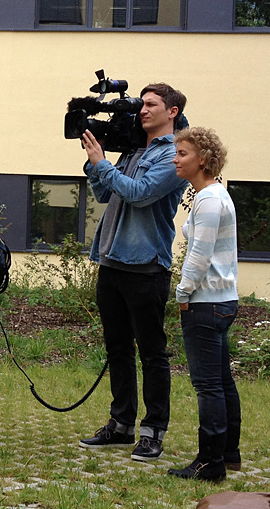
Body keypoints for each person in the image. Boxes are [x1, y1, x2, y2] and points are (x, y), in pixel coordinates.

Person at [78, 83, 188, 461]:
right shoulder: (134, 149)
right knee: (118, 348)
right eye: (141, 104)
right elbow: (107, 194)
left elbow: (140, 192)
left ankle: (153, 431)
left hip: (145, 266)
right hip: (111, 261)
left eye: (151, 104)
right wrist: (96, 165)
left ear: (171, 112)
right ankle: (121, 424)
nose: (143, 110)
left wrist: (103, 164)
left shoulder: (174, 154)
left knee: (152, 353)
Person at [168, 127, 239, 481]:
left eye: (182, 154)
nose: (175, 159)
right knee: (222, 381)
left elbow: (198, 255)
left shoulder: (209, 199)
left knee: (208, 385)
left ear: (204, 160)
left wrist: (182, 294)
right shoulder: (212, 196)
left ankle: (210, 463)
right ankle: (229, 453)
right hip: (221, 301)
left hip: (206, 302)